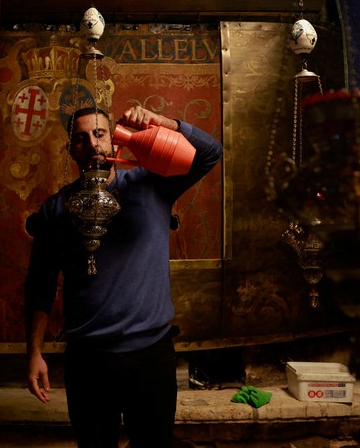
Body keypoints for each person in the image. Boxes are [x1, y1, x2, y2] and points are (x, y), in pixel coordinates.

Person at [24, 105, 223, 448]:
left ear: (115, 141)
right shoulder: (57, 209)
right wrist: (34, 353)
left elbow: (210, 153)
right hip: (88, 360)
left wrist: (165, 123)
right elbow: (39, 285)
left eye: (100, 134)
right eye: (81, 138)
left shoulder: (152, 184)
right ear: (71, 149)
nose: (93, 144)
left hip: (150, 355)